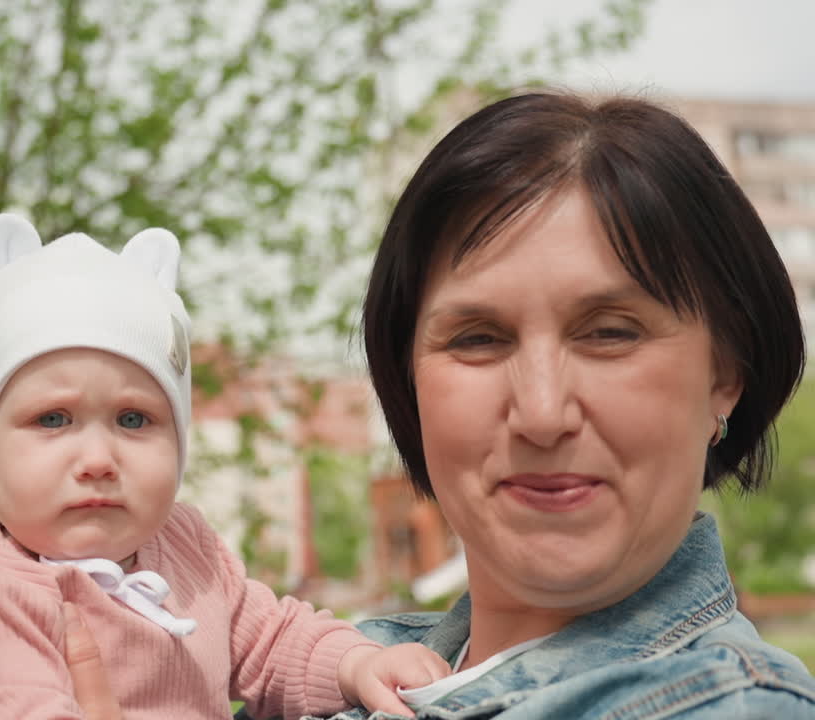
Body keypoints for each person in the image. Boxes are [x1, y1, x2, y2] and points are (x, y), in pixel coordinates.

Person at [66, 91, 815, 719]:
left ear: (726, 373)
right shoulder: (318, 671)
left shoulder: (730, 706)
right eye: (479, 339)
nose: (543, 412)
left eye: (610, 333)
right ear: (409, 381)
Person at [0, 213, 452, 720]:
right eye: (52, 419)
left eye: (134, 420)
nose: (97, 460)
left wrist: (354, 665)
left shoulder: (188, 549)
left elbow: (271, 640)